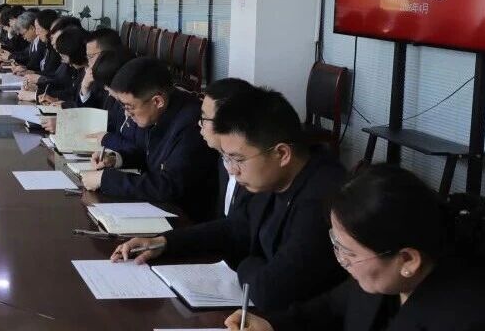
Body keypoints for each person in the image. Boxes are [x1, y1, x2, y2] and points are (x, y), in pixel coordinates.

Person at [110, 87, 348, 311]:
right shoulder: (273, 175)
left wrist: (247, 262)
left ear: (282, 153)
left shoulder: (323, 199)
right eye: (226, 158)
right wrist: (163, 242)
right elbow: (236, 228)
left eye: (238, 159)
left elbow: (268, 291)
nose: (232, 170)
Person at [225, 164, 485, 330]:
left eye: (349, 252)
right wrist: (271, 324)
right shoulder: (388, 274)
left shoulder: (482, 319)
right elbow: (330, 308)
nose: (340, 260)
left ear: (408, 259)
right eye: (335, 243)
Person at [79, 57, 219, 222]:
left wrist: (105, 180)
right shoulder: (158, 111)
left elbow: (169, 186)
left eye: (129, 107)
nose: (126, 114)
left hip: (185, 219)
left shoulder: (191, 124)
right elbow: (146, 155)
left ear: (157, 101)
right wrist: (115, 159)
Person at [200, 77, 257, 217]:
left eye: (204, 118)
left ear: (228, 124)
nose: (200, 124)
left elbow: (240, 226)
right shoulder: (222, 157)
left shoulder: (257, 173)